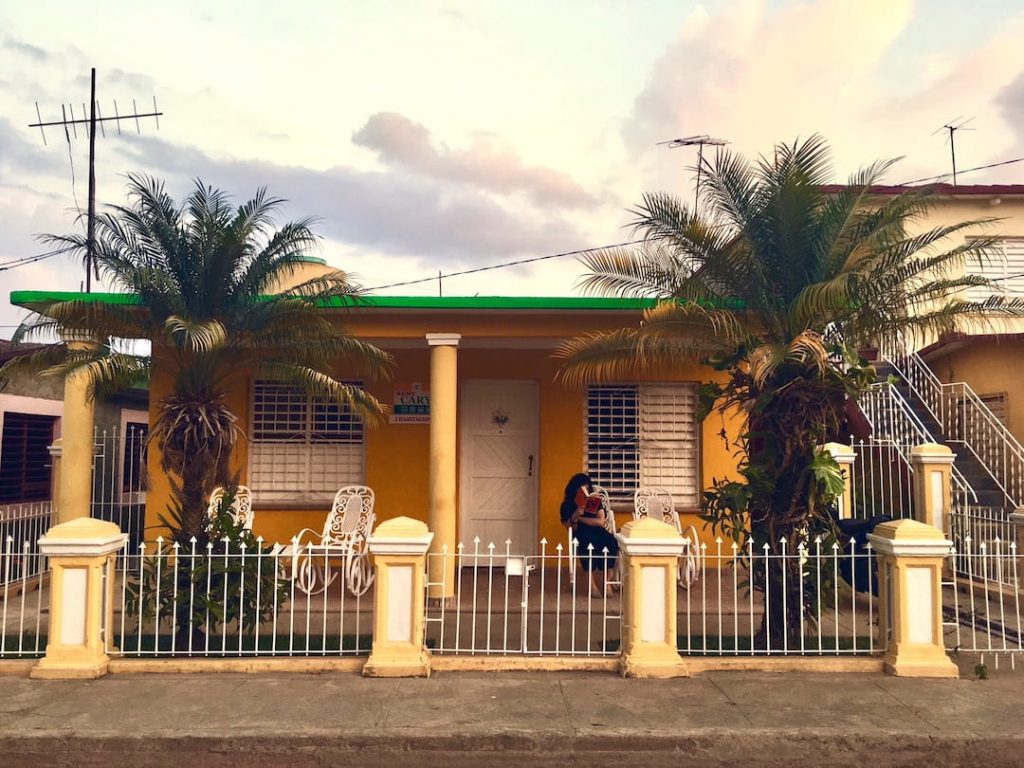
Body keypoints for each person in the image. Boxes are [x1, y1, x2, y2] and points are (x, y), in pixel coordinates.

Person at [559, 473, 619, 597]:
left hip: (598, 530)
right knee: (587, 541)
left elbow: (601, 522)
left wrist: (580, 519)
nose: (584, 491)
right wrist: (575, 515)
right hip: (581, 532)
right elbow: (570, 526)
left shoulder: (595, 501)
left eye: (587, 488)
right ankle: (591, 585)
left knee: (610, 541)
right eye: (581, 489)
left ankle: (607, 583)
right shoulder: (567, 505)